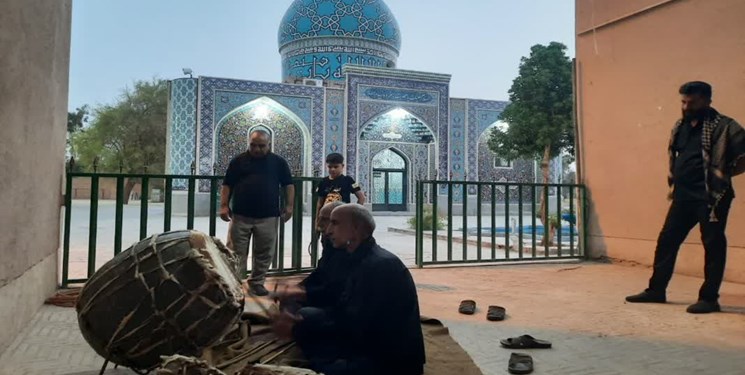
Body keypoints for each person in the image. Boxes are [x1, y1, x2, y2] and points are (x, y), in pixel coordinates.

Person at [626, 81, 745, 314]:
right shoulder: (680, 126)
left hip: (712, 197)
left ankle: (709, 299)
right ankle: (656, 291)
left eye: (692, 102)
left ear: (707, 101)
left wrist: (723, 174)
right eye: (683, 101)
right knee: (667, 241)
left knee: (712, 245)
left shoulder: (725, 126)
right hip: (683, 196)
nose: (686, 106)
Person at [271, 204, 425, 375]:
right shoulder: (360, 256)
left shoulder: (378, 265)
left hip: (389, 361)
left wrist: (296, 325)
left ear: (356, 229)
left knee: (312, 338)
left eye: (334, 223)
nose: (328, 230)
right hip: (367, 345)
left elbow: (354, 323)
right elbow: (340, 302)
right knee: (307, 323)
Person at [220, 129, 295, 296]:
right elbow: (227, 185)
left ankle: (257, 282)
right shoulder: (238, 161)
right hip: (240, 215)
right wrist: (224, 205)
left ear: (269, 144)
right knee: (235, 252)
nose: (257, 149)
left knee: (264, 252)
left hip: (268, 216)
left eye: (261, 146)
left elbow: (288, 185)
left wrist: (289, 206)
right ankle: (235, 284)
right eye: (253, 145)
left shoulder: (278, 162)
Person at [274, 201, 350, 312]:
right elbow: (319, 273)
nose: (319, 225)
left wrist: (301, 293)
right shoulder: (330, 244)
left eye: (325, 219)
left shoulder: (348, 250)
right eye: (319, 218)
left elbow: (334, 289)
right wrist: (297, 287)